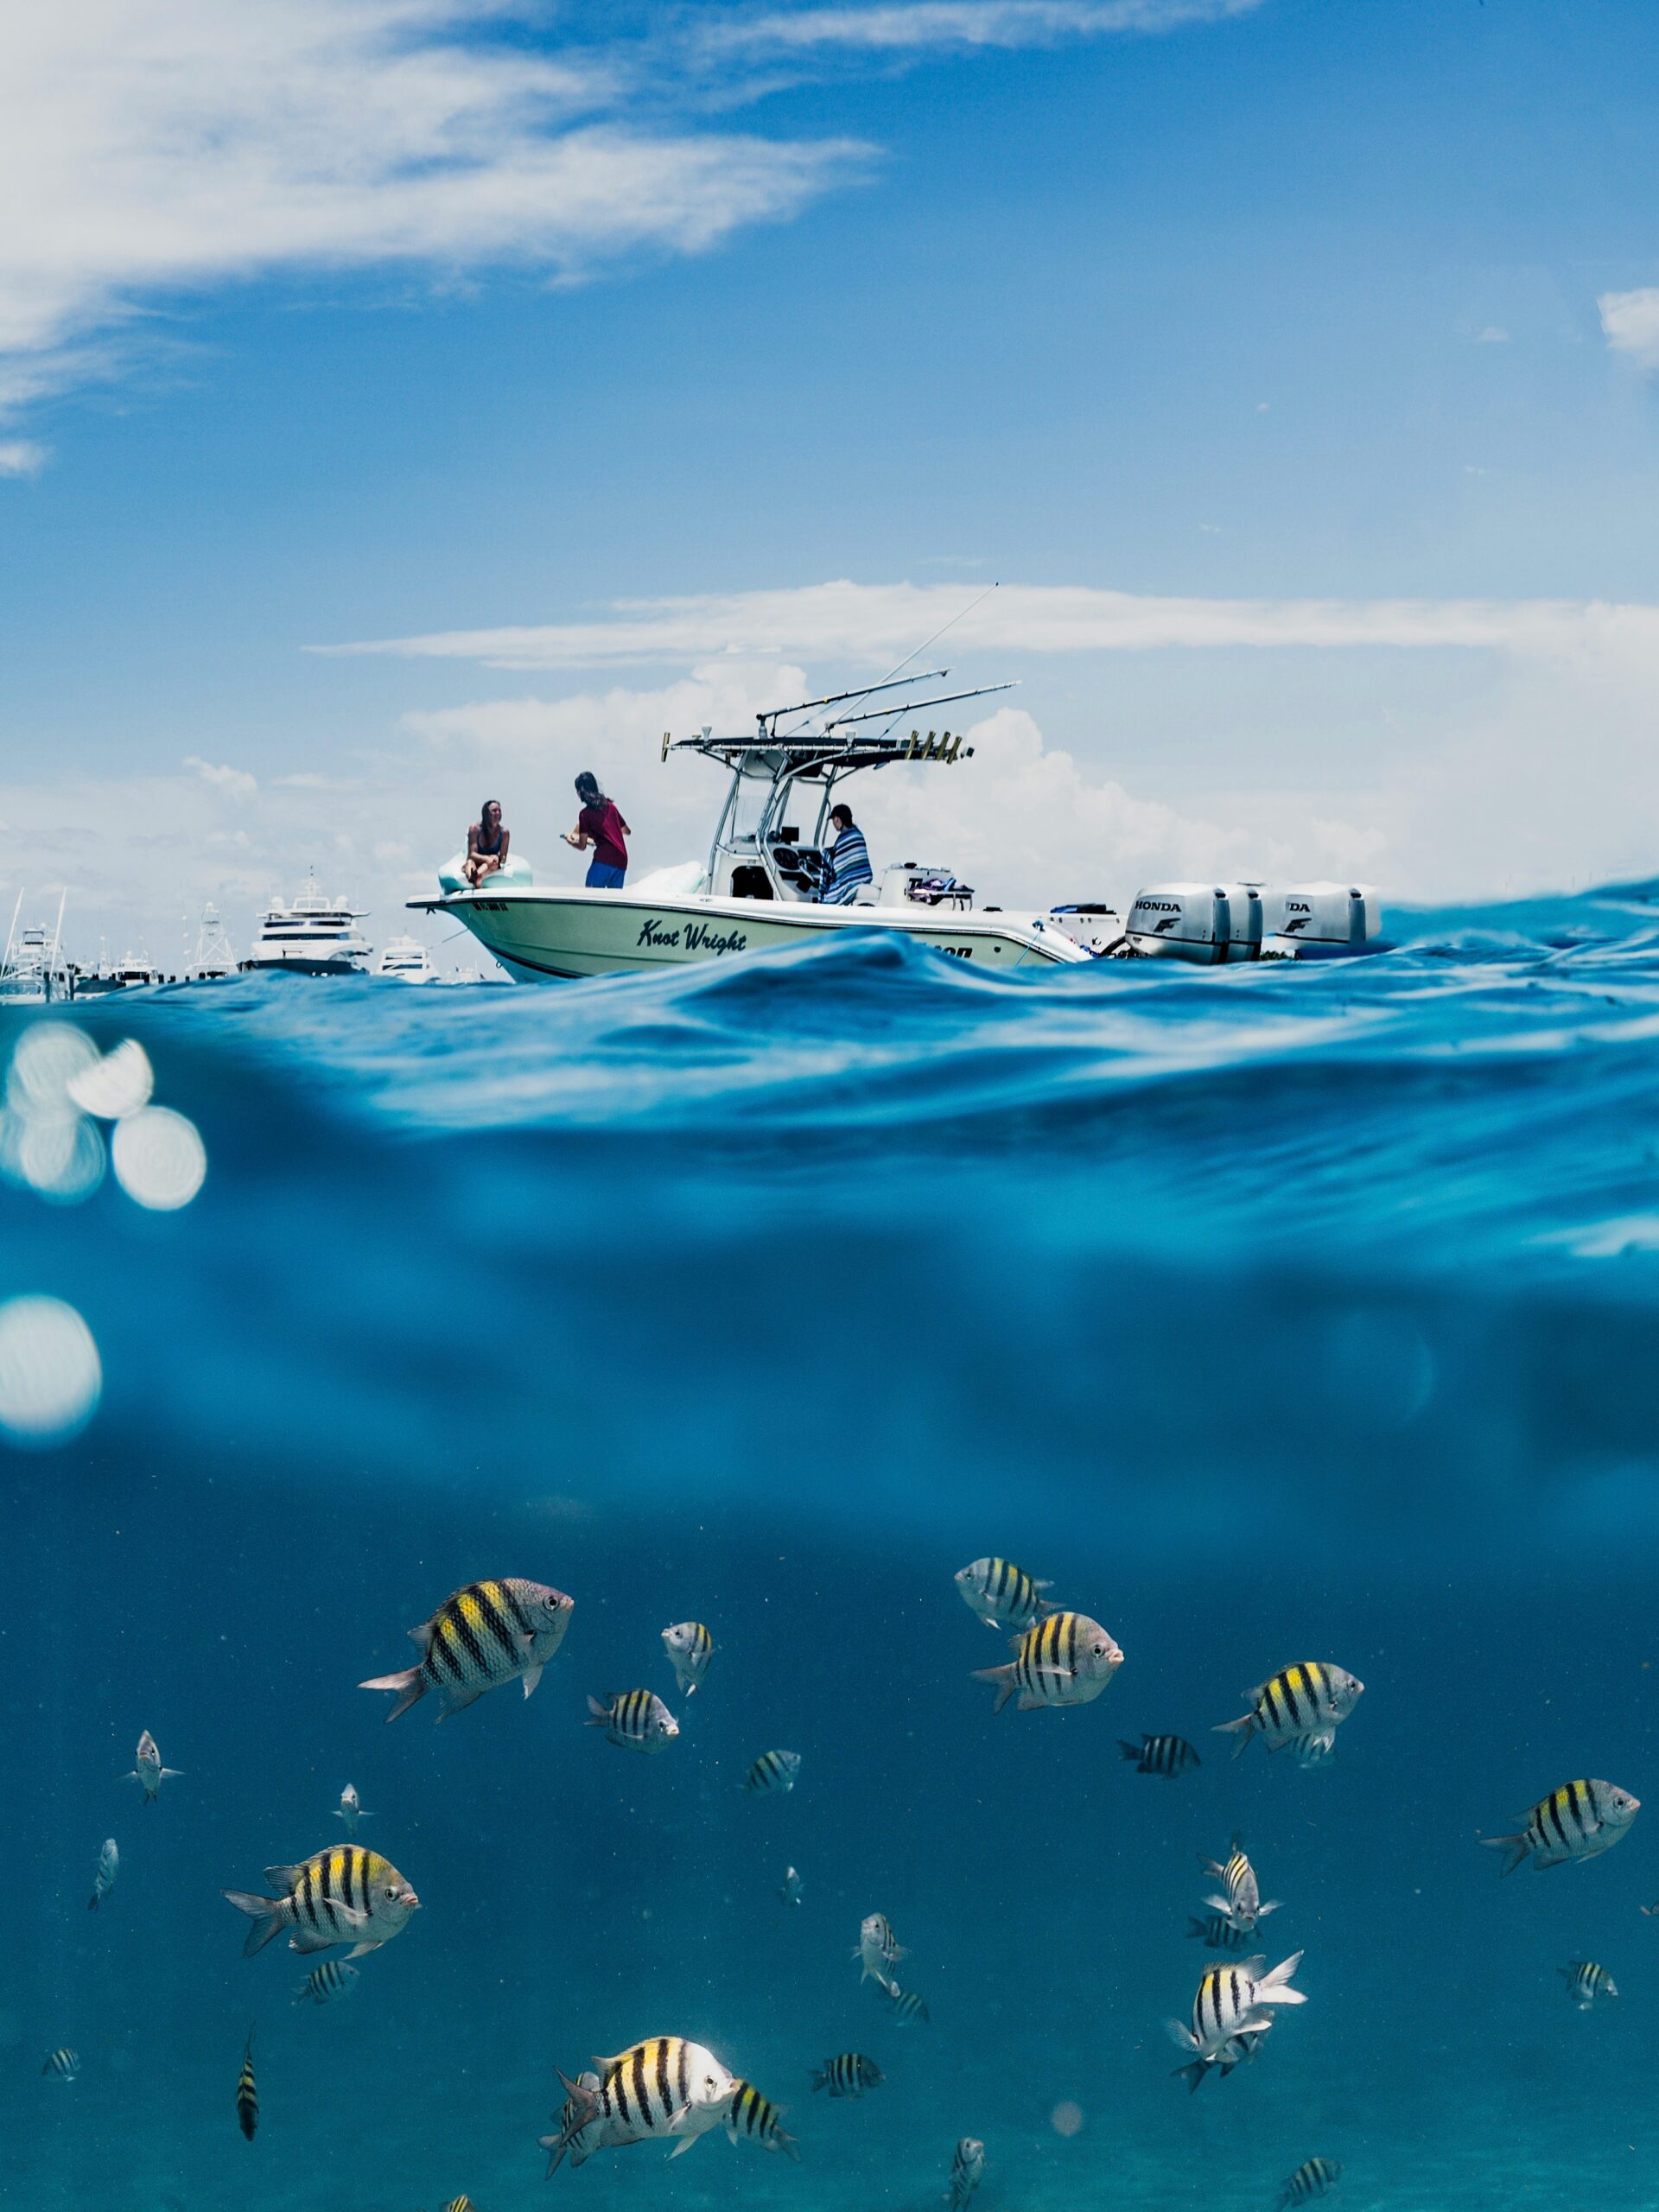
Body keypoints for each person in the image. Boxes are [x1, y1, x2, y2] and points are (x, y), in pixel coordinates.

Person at [563, 772, 630, 888]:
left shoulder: (585, 814)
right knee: (613, 901)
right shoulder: (611, 807)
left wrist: (569, 840)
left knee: (591, 893)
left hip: (604, 859)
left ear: (580, 792)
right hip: (621, 860)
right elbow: (627, 831)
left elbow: (582, 846)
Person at [819, 804, 872, 905]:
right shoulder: (858, 834)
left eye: (833, 820)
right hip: (864, 877)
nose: (833, 823)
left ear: (837, 819)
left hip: (851, 882)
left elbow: (837, 863)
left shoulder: (842, 839)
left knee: (827, 898)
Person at [463, 799, 509, 887]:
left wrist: (498, 859)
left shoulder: (504, 833)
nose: (498, 813)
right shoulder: (475, 829)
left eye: (499, 810)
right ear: (486, 813)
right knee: (469, 862)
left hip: (491, 864)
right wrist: (487, 858)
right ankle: (473, 876)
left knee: (493, 862)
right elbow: (472, 854)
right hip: (475, 861)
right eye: (494, 811)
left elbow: (503, 857)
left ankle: (476, 876)